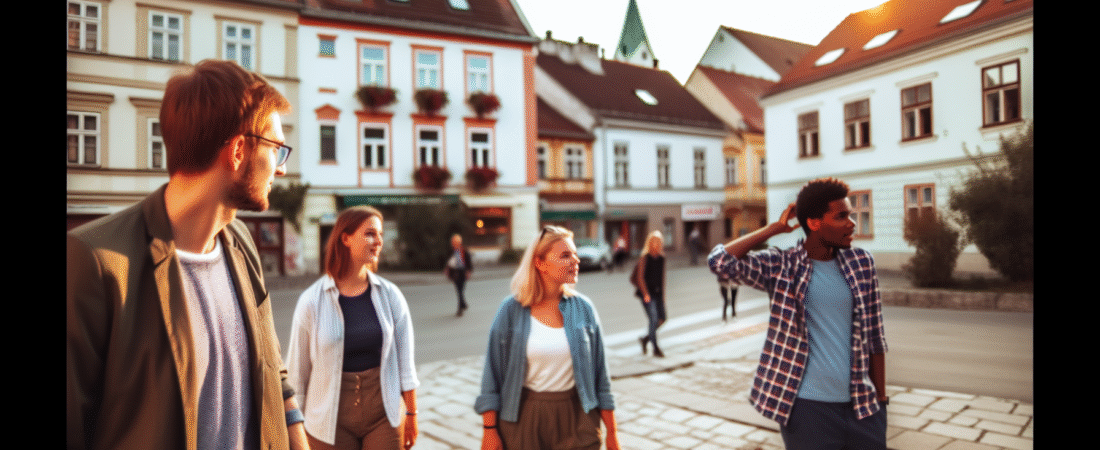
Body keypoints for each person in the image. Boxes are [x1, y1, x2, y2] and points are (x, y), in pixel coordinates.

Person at [67, 59, 307, 450]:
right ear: (239, 150)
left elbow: (271, 365)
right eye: (277, 149)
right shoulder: (97, 262)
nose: (281, 169)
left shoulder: (241, 242)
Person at [708, 177, 889, 450]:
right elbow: (719, 262)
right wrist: (773, 229)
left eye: (850, 215)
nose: (852, 223)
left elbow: (875, 336)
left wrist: (881, 403)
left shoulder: (862, 263)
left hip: (862, 406)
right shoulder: (782, 266)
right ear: (814, 223)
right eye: (841, 216)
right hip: (807, 409)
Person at [474, 226, 620, 450]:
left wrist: (612, 433)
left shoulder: (584, 309)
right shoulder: (510, 310)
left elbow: (601, 377)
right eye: (565, 255)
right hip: (525, 418)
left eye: (575, 254)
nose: (575, 260)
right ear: (540, 263)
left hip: (579, 418)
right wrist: (490, 431)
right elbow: (491, 377)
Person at [286, 206, 420, 450]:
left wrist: (411, 413)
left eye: (380, 234)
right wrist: (296, 429)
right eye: (370, 234)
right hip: (327, 421)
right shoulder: (311, 301)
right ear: (345, 238)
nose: (378, 241)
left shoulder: (391, 296)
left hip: (384, 415)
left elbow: (405, 365)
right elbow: (297, 375)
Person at [632, 230, 667, 358]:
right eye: (654, 241)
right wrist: (646, 294)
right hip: (647, 294)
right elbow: (640, 278)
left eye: (659, 241)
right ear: (650, 243)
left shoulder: (662, 258)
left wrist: (663, 296)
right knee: (653, 319)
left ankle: (645, 339)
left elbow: (662, 278)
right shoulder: (644, 257)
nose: (656, 244)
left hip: (658, 293)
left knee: (662, 319)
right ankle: (655, 348)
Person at [444, 233, 473, 316]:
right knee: (459, 290)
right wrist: (447, 270)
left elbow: (469, 262)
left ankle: (463, 304)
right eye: (453, 242)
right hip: (455, 272)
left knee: (461, 289)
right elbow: (448, 262)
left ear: (459, 243)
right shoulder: (451, 251)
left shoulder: (464, 251)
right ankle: (460, 308)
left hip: (462, 272)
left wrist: (468, 272)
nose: (454, 244)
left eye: (455, 242)